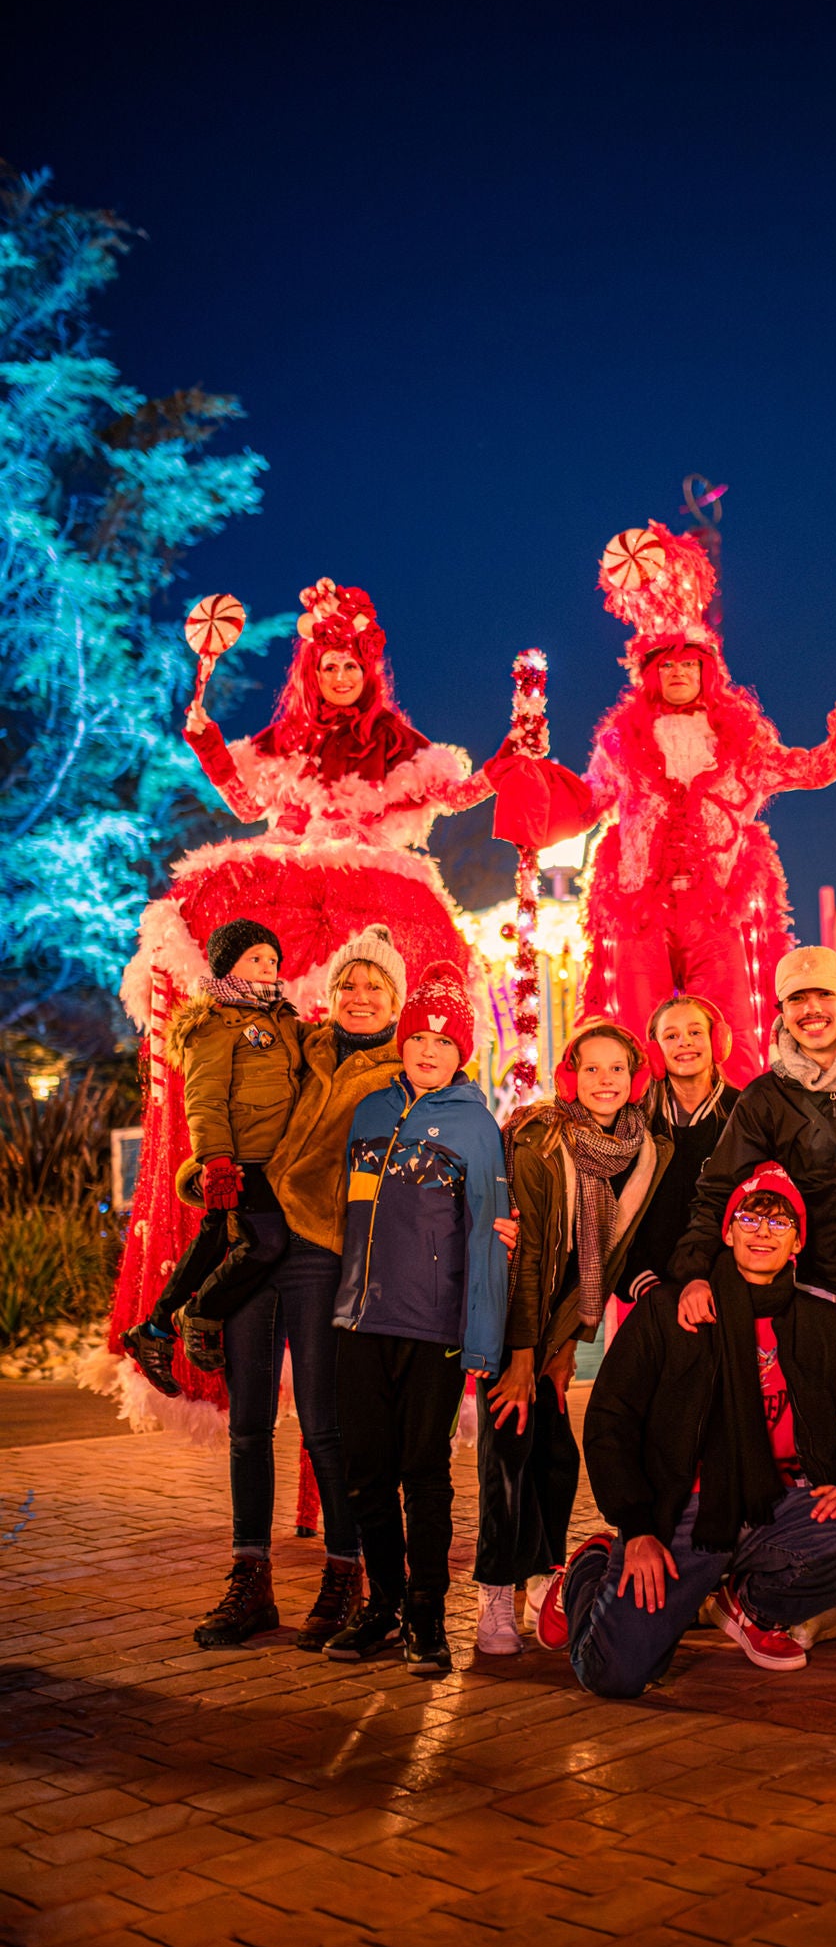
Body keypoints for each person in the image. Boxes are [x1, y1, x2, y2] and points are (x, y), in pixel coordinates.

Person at [111, 573, 542, 1420]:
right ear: (311, 669)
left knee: (376, 1071)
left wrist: (515, 745)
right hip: (288, 907)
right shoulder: (281, 744)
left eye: (351, 666)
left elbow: (459, 792)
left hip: (376, 908)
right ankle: (195, 1303)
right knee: (252, 1067)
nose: (339, 678)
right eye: (327, 665)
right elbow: (235, 792)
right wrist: (198, 693)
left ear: (367, 671)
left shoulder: (396, 743)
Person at [535, 1165, 836, 1697]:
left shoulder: (818, 1324)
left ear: (796, 1242)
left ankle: (751, 1606)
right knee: (616, 1674)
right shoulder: (669, 1313)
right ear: (728, 1231)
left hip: (778, 1506)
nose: (763, 1231)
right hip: (685, 1512)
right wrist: (637, 1525)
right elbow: (610, 1419)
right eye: (749, 1216)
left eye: (779, 1221)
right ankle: (588, 1570)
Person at [671, 946, 836, 1649]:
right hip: (813, 1297)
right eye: (796, 1001)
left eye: (823, 996)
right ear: (782, 1013)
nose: (812, 1011)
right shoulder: (767, 1096)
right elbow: (715, 1192)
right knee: (810, 1446)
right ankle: (819, 1584)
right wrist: (693, 1272)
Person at [554, 523, 836, 1084]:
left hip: (718, 909)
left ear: (708, 668)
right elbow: (585, 807)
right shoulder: (618, 742)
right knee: (636, 1037)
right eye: (667, 664)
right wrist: (534, 794)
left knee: (731, 1036)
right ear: (649, 673)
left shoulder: (742, 739)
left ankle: (739, 1147)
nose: (679, 672)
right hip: (637, 910)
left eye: (689, 662)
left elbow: (808, 769)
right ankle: (638, 1142)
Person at [185, 924, 406, 1651]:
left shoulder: (407, 1071)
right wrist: (205, 1172)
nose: (360, 996)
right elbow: (227, 1108)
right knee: (249, 1422)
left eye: (376, 986)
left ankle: (345, 1572)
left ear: (396, 999)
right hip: (258, 1237)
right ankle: (250, 1578)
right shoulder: (297, 1041)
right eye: (349, 983)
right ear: (331, 994)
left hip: (319, 1252)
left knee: (322, 1423)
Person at [325, 962, 509, 1676]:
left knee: (422, 1473)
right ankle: (383, 1607)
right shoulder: (369, 1112)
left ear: (461, 1051)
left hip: (431, 1329)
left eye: (442, 1040)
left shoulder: (475, 1126)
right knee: (365, 1471)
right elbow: (350, 1211)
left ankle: (427, 1617)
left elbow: (487, 1237)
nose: (428, 1051)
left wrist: (481, 1341)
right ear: (401, 1045)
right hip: (358, 1325)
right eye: (417, 1039)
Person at [474, 1019, 672, 1655]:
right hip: (509, 1314)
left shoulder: (643, 1151)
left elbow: (604, 1263)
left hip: (558, 1328)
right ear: (571, 1075)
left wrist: (565, 1354)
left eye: (617, 1068)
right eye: (592, 1068)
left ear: (634, 1076)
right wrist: (523, 1359)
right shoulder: (540, 1138)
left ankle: (541, 1574)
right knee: (507, 1454)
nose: (605, 1080)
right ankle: (494, 1591)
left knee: (557, 1457)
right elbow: (526, 1255)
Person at [120, 917, 303, 1390]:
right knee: (266, 1244)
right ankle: (199, 1315)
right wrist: (216, 1159)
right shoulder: (216, 1023)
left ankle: (155, 1330)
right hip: (241, 1159)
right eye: (255, 959)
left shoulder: (281, 1018)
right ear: (227, 965)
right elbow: (204, 1097)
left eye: (272, 960)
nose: (267, 967)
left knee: (214, 1239)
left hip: (277, 1159)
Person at [615, 995, 742, 1323]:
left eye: (696, 1032)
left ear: (717, 1041)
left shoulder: (746, 1113)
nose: (685, 1042)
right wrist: (647, 1288)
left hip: (727, 1290)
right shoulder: (633, 1122)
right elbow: (613, 1217)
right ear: (654, 1051)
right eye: (671, 1035)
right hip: (653, 1295)